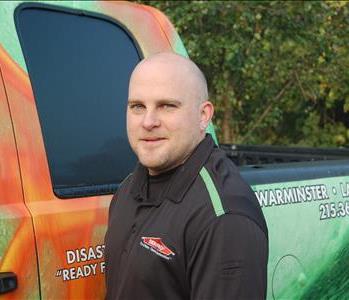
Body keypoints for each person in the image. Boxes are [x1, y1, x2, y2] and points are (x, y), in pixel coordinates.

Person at [104, 52, 268, 300]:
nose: (148, 122)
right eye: (137, 106)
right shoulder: (128, 189)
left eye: (167, 106)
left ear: (204, 116)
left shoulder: (224, 219)